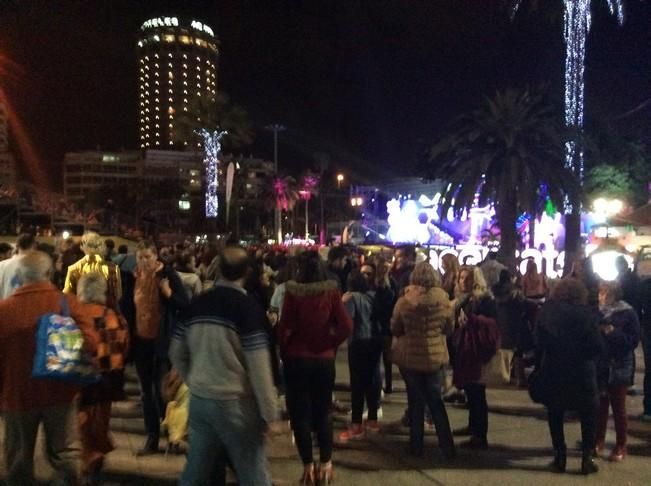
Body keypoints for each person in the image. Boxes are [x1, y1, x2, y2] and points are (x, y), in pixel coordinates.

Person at [170, 245, 281, 486]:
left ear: (218, 268)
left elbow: (176, 352)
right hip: (237, 404)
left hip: (200, 400)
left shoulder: (196, 305)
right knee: (253, 473)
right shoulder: (249, 310)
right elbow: (259, 368)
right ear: (247, 272)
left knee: (195, 471)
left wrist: (193, 379)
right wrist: (269, 413)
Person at [0, 251, 97, 486]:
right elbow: (91, 343)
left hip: (18, 394)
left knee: (18, 456)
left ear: (20, 276)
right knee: (65, 452)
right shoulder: (67, 303)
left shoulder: (5, 309)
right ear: (49, 273)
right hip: (60, 390)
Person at [278, 250, 353, 485]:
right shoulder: (330, 292)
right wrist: (328, 343)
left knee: (299, 413)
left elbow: (285, 327)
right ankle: (326, 465)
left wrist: (284, 348)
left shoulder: (293, 293)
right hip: (323, 360)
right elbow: (346, 326)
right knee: (323, 410)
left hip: (297, 358)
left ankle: (308, 466)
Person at [535, 278, 604, 475]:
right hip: (582, 370)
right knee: (588, 414)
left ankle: (560, 456)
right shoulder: (588, 315)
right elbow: (596, 346)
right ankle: (586, 459)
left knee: (555, 413)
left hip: (555, 368)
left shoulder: (547, 312)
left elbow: (538, 341)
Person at [391, 262, 456, 459]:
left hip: (411, 357)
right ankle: (447, 447)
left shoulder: (404, 301)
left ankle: (416, 446)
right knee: (436, 402)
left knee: (416, 402)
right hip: (435, 356)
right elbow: (449, 328)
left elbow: (395, 328)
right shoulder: (443, 300)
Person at [132, 240, 189, 455]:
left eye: (147, 256)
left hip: (162, 342)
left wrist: (168, 293)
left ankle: (172, 436)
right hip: (141, 341)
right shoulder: (134, 277)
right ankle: (152, 438)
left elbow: (184, 305)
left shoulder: (168, 276)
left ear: (156, 256)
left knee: (163, 392)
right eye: (140, 257)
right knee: (146, 393)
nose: (144, 261)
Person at [76, 272, 130, 485]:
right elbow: (124, 347)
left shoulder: (75, 315)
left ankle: (89, 462)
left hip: (80, 380)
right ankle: (96, 462)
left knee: (82, 425)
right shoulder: (114, 316)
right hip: (107, 380)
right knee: (100, 423)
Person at [451, 265, 499, 449]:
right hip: (464, 349)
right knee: (470, 391)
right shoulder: (463, 299)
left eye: (467, 278)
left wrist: (473, 320)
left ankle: (480, 435)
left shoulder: (484, 300)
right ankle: (473, 426)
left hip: (477, 351)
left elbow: (492, 325)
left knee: (478, 393)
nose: (463, 281)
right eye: (461, 278)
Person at [595, 280, 640, 462]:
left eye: (605, 291)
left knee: (618, 407)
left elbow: (632, 340)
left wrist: (612, 332)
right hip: (602, 364)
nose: (602, 295)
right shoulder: (598, 311)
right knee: (601, 405)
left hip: (620, 363)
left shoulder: (628, 312)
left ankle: (621, 444)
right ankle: (598, 440)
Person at [338, 267, 384, 442]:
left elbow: (347, 322)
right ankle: (372, 420)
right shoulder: (373, 296)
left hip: (359, 342)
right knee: (372, 381)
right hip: (375, 341)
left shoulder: (351, 298)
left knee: (357, 384)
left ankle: (356, 425)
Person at [63, 231, 121, 311]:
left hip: (82, 314)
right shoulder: (113, 268)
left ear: (82, 247)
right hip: (106, 314)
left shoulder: (73, 269)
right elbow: (118, 295)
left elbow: (68, 296)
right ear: (101, 246)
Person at [492, 269, 527, 386]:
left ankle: (503, 374)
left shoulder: (494, 291)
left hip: (500, 322)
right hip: (514, 322)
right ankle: (518, 377)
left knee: (502, 349)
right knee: (517, 350)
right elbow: (523, 305)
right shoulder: (515, 291)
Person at [0, 233, 36, 298]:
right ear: (33, 246)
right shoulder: (37, 268)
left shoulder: (2, 265)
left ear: (17, 246)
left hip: (3, 306)